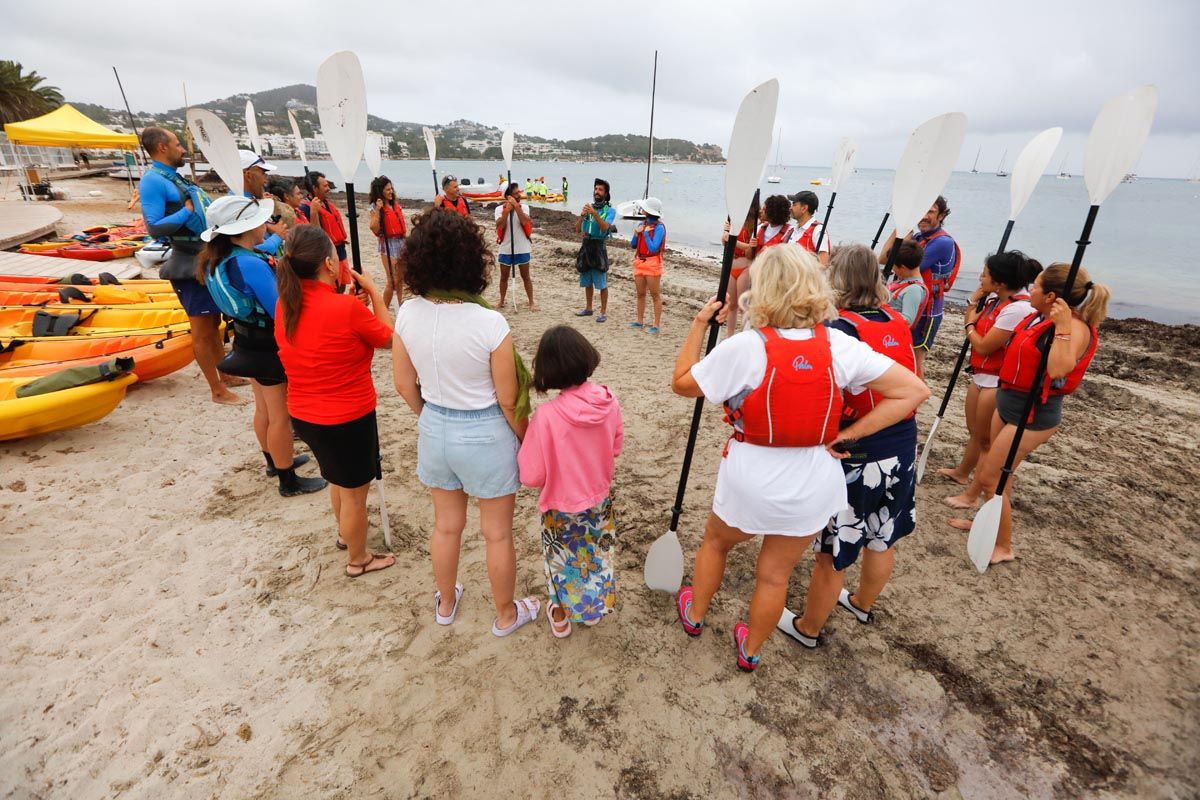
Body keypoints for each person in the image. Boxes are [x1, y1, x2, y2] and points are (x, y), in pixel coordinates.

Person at [670, 246, 929, 672]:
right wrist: (849, 434)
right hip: (813, 480)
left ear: (763, 291)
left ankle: (696, 614)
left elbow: (682, 383)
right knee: (775, 575)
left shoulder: (745, 347)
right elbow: (914, 390)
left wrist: (700, 323)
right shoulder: (839, 345)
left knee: (716, 544)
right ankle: (750, 650)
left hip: (751, 476)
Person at [391, 210, 539, 636]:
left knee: (445, 525)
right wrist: (525, 438)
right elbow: (509, 400)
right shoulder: (489, 322)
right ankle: (506, 615)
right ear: (472, 259)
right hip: (486, 432)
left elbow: (403, 385)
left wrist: (434, 418)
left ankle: (446, 604)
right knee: (496, 533)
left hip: (436, 427)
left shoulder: (408, 314)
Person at [778, 244, 922, 648]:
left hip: (858, 448)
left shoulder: (840, 331)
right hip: (902, 441)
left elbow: (822, 394)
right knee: (883, 534)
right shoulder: (896, 319)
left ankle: (808, 627)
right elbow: (910, 376)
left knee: (835, 545)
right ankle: (860, 602)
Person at [944, 265, 1108, 563]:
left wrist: (1063, 328)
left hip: (1032, 416)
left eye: (1036, 286)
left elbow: (1059, 369)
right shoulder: (1036, 316)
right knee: (1000, 476)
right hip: (1008, 402)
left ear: (1051, 296)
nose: (1030, 289)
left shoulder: (1074, 328)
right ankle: (989, 523)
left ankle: (1003, 546)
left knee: (992, 476)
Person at [275, 225, 397, 577]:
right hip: (347, 414)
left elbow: (322, 332)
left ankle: (347, 536)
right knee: (355, 492)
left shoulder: (287, 305)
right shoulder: (344, 308)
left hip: (305, 413)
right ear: (330, 263)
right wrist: (374, 291)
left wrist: (347, 299)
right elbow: (387, 337)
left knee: (337, 478)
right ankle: (358, 559)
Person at [196, 197, 326, 497]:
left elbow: (259, 255)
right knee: (280, 413)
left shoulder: (221, 257)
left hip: (246, 339)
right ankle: (288, 479)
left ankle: (273, 461)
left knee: (263, 406)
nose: (265, 226)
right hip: (267, 346)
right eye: (261, 222)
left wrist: (275, 245)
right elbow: (279, 309)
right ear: (247, 227)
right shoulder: (249, 264)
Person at [518, 326, 623, 637]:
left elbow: (531, 475)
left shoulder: (547, 416)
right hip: (599, 500)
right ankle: (591, 611)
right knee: (596, 555)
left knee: (561, 564)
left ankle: (561, 615)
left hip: (560, 506)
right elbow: (615, 446)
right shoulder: (608, 400)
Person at [137, 126, 242, 405]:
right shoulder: (152, 181)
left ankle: (226, 375)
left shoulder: (173, 178)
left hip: (206, 257)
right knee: (202, 330)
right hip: (188, 263)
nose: (183, 149)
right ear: (162, 147)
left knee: (214, 324)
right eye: (177, 144)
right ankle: (217, 390)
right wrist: (187, 211)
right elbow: (155, 228)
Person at [938, 251, 1041, 487]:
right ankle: (963, 472)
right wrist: (974, 302)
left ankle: (975, 490)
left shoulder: (1017, 309)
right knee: (974, 430)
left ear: (1000, 282)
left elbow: (984, 345)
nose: (980, 279)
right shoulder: (996, 300)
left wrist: (970, 325)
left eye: (984, 275)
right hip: (981, 374)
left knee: (986, 440)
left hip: (996, 380)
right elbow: (972, 321)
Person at [880, 196, 962, 360]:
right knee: (899, 356)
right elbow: (883, 259)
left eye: (930, 211)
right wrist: (902, 227)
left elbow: (899, 263)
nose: (923, 216)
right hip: (907, 302)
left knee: (915, 361)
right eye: (921, 211)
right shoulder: (918, 238)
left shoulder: (943, 242)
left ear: (941, 216)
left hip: (927, 310)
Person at [574, 178, 616, 322]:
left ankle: (603, 312)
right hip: (586, 245)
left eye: (600, 190)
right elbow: (577, 229)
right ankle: (589, 308)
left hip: (599, 247)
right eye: (596, 189)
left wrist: (595, 214)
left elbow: (605, 227)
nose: (597, 192)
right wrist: (582, 216)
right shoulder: (588, 208)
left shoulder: (610, 210)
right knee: (587, 280)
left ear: (606, 193)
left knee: (602, 283)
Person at [886, 240, 931, 375]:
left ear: (903, 268)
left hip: (894, 338)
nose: (892, 269)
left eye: (894, 266)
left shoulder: (913, 290)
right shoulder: (903, 280)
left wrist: (883, 313)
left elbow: (908, 319)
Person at [299, 171, 351, 287]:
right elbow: (312, 234)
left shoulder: (326, 203)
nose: (328, 188)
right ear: (314, 188)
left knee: (342, 286)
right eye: (325, 186)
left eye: (328, 185)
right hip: (327, 253)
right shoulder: (306, 208)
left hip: (341, 252)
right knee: (332, 287)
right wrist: (314, 213)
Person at [368, 176, 408, 310]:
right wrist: (378, 210)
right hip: (388, 244)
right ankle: (383, 309)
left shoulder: (394, 204)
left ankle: (400, 306)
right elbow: (373, 227)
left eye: (391, 189)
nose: (391, 191)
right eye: (387, 189)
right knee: (392, 280)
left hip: (401, 242)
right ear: (380, 191)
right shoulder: (375, 207)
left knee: (400, 279)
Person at [495, 181, 536, 310]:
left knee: (526, 276)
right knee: (504, 277)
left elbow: (524, 221)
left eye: (519, 192)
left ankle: (531, 302)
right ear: (508, 196)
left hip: (522, 247)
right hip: (506, 248)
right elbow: (499, 225)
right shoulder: (498, 210)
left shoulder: (524, 207)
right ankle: (501, 300)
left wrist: (516, 207)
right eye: (516, 193)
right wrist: (507, 211)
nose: (519, 194)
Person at [238, 150, 286, 256]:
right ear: (248, 175)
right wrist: (278, 236)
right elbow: (246, 249)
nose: (265, 179)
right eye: (263, 173)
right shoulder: (240, 206)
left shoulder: (247, 201)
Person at [629, 197, 666, 333]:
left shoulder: (659, 227)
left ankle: (656, 325)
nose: (642, 210)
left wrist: (644, 234)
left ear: (648, 211)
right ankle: (639, 321)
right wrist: (636, 233)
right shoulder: (643, 224)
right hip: (640, 262)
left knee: (655, 295)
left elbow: (653, 248)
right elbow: (633, 245)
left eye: (644, 209)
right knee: (640, 294)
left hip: (652, 264)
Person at [722, 206, 759, 335]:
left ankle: (744, 333)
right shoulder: (733, 222)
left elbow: (751, 247)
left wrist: (732, 239)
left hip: (745, 267)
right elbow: (725, 242)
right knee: (732, 305)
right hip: (731, 265)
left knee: (743, 304)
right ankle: (729, 335)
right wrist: (726, 233)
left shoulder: (753, 225)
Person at [787, 190, 830, 265]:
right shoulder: (792, 230)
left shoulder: (818, 230)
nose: (790, 208)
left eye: (794, 204)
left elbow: (824, 263)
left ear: (804, 208)